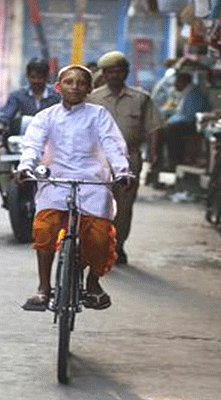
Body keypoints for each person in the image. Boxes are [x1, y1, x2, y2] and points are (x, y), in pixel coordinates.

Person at [15, 64, 133, 311]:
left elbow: (112, 145)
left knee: (99, 237)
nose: (75, 87)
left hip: (92, 182)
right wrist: (25, 167)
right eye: (69, 82)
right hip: (55, 180)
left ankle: (92, 283)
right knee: (44, 229)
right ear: (58, 87)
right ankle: (44, 287)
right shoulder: (46, 117)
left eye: (81, 83)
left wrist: (122, 171)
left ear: (90, 88)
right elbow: (33, 145)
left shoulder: (98, 115)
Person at [86, 51, 162, 265]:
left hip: (130, 159)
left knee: (124, 205)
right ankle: (97, 245)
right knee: (97, 204)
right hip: (98, 161)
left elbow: (153, 128)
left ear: (126, 73)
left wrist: (153, 154)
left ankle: (117, 246)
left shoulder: (141, 98)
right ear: (103, 74)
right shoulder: (93, 98)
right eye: (110, 71)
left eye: (119, 71)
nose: (115, 75)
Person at [0, 57, 61, 127]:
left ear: (47, 77)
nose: (36, 81)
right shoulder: (18, 96)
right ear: (27, 75)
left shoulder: (56, 96)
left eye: (40, 78)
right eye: (33, 77)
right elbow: (6, 115)